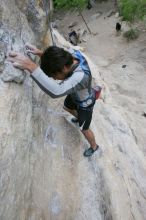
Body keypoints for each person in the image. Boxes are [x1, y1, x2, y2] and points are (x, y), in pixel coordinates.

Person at [8, 44, 99, 157]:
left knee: (84, 129)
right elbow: (59, 59)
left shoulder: (80, 76)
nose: (54, 78)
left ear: (64, 68)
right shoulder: (72, 55)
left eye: (54, 75)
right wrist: (42, 54)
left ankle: (94, 146)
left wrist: (30, 66)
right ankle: (78, 118)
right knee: (66, 107)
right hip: (74, 94)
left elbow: (56, 91)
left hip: (85, 104)